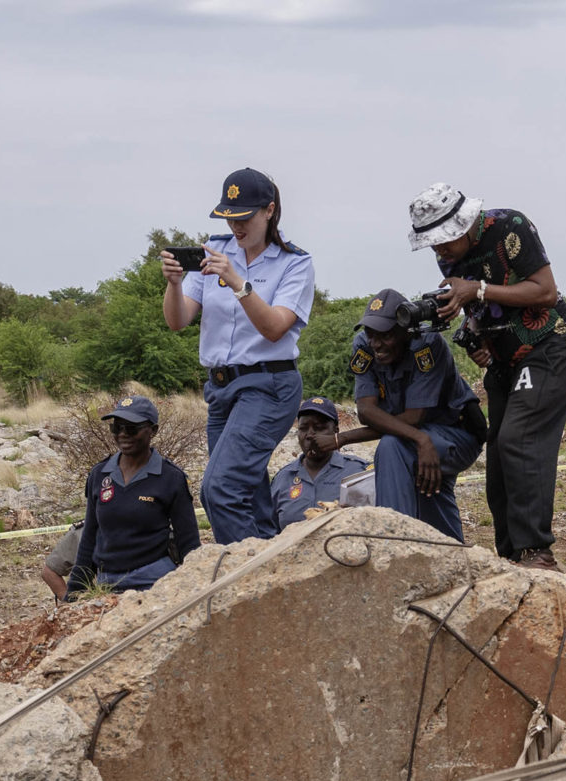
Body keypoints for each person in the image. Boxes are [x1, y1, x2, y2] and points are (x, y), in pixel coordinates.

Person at [409, 185, 566, 567]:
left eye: (442, 241)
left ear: (464, 224)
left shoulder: (510, 226)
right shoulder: (448, 258)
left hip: (549, 345)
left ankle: (538, 550)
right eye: (431, 244)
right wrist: (472, 336)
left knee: (521, 438)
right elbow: (477, 309)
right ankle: (512, 555)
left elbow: (545, 291)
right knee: (500, 450)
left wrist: (479, 290)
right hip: (504, 360)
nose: (439, 251)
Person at [160, 169, 316, 545]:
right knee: (246, 490)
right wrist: (174, 283)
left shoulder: (293, 263)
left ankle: (246, 575)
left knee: (220, 488)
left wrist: (238, 283)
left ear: (269, 211)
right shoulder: (214, 251)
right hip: (220, 390)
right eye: (229, 217)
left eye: (244, 218)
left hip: (268, 385)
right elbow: (179, 320)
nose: (236, 226)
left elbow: (276, 328)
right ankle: (270, 559)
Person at [339, 290, 485, 542]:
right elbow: (366, 411)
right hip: (421, 438)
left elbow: (414, 416)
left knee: (392, 447)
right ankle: (454, 552)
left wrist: (342, 439)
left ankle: (394, 542)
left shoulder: (426, 344)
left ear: (405, 329)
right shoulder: (364, 344)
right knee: (430, 491)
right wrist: (421, 439)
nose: (376, 344)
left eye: (384, 335)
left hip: (458, 434)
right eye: (371, 333)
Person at [42, 397, 200, 600]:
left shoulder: (171, 478)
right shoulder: (99, 474)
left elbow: (189, 544)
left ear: (153, 430)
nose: (123, 434)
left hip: (155, 584)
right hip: (107, 585)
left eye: (132, 428)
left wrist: (194, 591)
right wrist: (74, 597)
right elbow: (89, 537)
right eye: (117, 427)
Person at [270, 398, 369, 528]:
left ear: (336, 431)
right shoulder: (282, 479)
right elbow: (269, 532)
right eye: (303, 428)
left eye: (319, 428)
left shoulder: (358, 473)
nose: (310, 435)